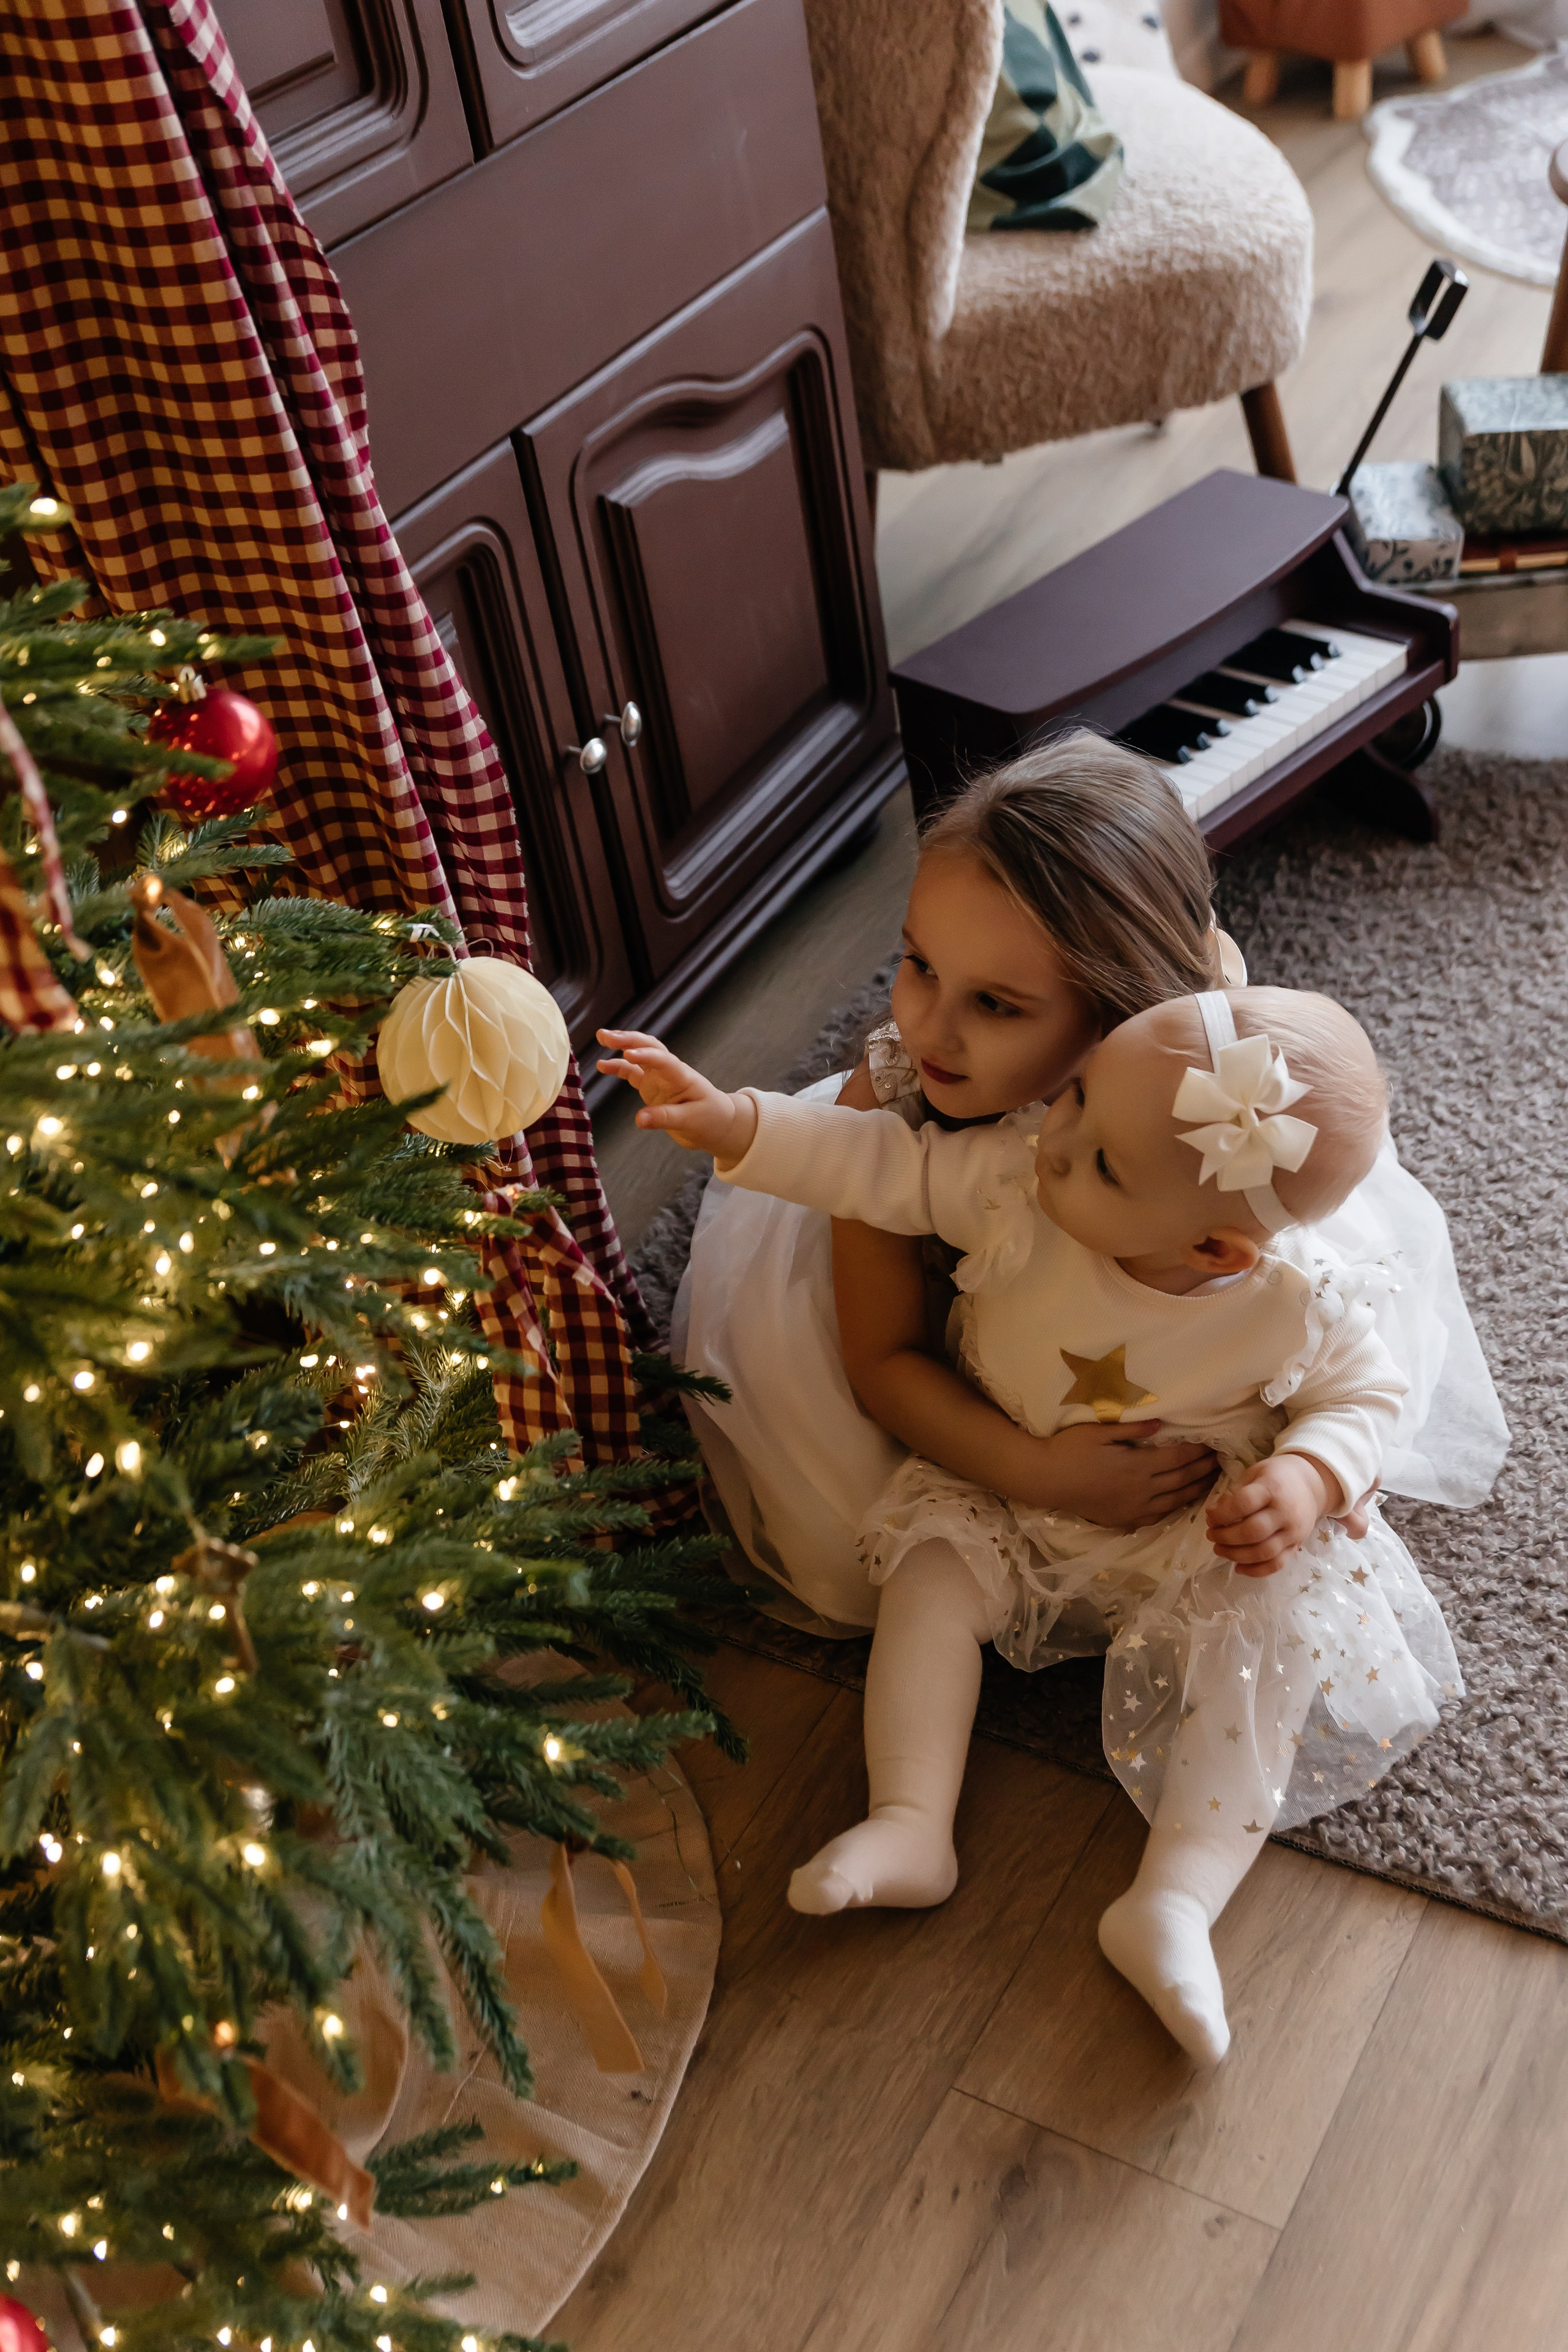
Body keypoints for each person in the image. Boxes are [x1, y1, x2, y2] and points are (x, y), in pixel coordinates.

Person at [600, 986, 1464, 2066]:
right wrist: (736, 1122)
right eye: (1078, 1096)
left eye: (1102, 1161)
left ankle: (1175, 1902)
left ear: (1216, 1250)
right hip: (1009, 1495)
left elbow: (1367, 1401)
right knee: (926, 1574)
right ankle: (912, 1821)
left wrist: (1304, 1480)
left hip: (1189, 1521)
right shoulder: (1019, 1182)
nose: (1057, 1142)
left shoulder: (1294, 1299)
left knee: (1276, 1631)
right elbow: (879, 1167)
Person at [664, 736, 1507, 1634]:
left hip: (1146, 1275)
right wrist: (1039, 1472)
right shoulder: (895, 1104)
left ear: (1119, 1016)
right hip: (955, 1379)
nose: (927, 1029)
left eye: (995, 1004)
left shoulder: (1182, 1086)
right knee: (897, 1543)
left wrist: (1298, 1467)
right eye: (919, 965)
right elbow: (881, 1364)